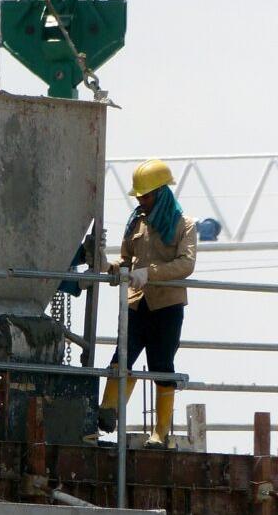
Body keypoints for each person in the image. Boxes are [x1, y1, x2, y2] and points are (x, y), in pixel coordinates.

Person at [97, 159, 197, 449]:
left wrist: (148, 274)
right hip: (137, 303)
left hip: (167, 306)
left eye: (146, 195)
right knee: (121, 357)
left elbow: (185, 264)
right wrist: (111, 267)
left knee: (161, 365)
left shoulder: (184, 225)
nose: (141, 200)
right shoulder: (136, 223)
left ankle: (160, 431)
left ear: (162, 193)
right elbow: (127, 261)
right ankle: (108, 411)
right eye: (139, 196)